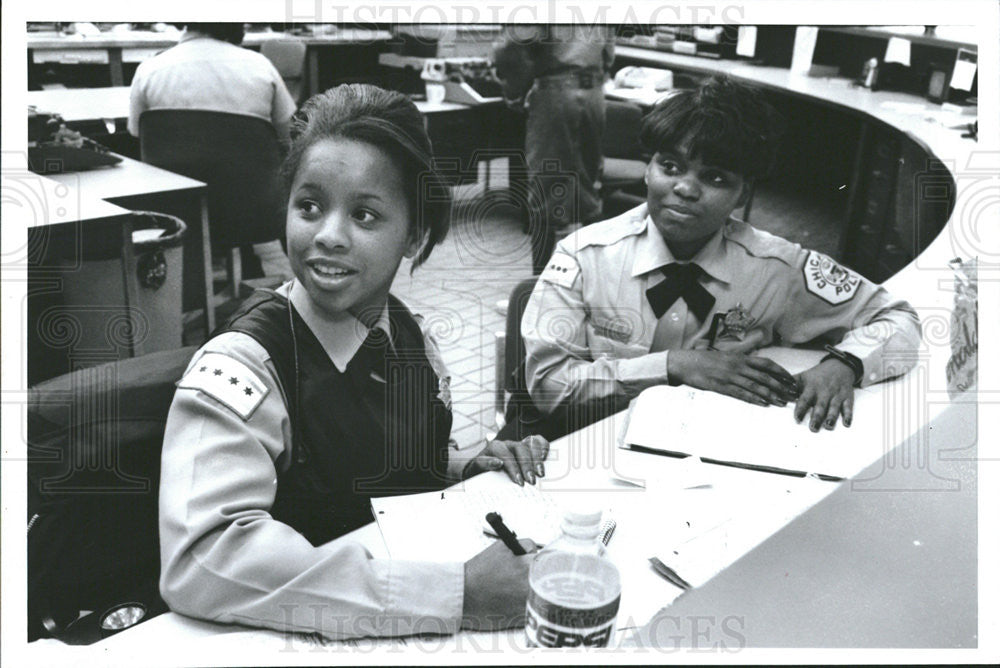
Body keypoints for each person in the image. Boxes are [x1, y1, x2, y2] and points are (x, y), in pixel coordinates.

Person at [158, 84, 548, 639]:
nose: (329, 236)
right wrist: (455, 595)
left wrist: (465, 465)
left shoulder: (409, 335)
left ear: (412, 236)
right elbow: (202, 559)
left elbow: (390, 460)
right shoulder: (246, 364)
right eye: (309, 206)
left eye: (365, 215)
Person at [519, 75, 921, 438]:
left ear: (742, 194)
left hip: (705, 442)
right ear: (648, 170)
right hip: (587, 440)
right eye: (670, 166)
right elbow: (547, 386)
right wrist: (674, 365)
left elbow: (898, 318)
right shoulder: (584, 256)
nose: (685, 189)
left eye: (715, 178)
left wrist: (847, 364)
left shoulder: (775, 268)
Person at [128, 22, 296, 278]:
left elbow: (136, 135)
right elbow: (289, 136)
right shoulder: (259, 65)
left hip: (177, 211)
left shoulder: (149, 69)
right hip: (254, 211)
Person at [492, 24, 616, 275]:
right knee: (588, 189)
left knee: (543, 189)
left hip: (556, 92)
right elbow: (608, 54)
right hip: (594, 93)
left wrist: (515, 90)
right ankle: (594, 281)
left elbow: (507, 48)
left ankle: (537, 286)